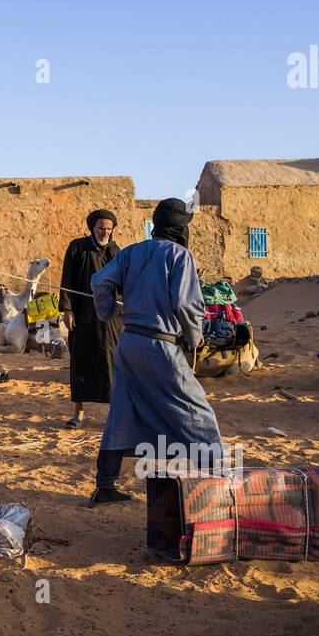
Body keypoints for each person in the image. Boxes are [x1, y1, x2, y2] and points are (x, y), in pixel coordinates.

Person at [86, 198, 224, 506]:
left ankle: (104, 485)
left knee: (122, 411)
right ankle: (215, 483)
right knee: (197, 414)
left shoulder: (132, 252)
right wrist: (194, 336)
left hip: (129, 343)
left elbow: (99, 282)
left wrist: (107, 312)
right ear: (179, 227)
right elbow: (187, 304)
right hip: (160, 346)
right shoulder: (180, 255)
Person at [59, 210, 122, 430]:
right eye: (100, 228)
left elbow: (123, 282)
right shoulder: (77, 248)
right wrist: (67, 309)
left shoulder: (116, 251)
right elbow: (67, 279)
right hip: (83, 316)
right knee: (81, 362)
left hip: (111, 320)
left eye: (108, 228)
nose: (104, 232)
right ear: (92, 229)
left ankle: (113, 416)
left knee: (111, 364)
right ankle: (79, 414)